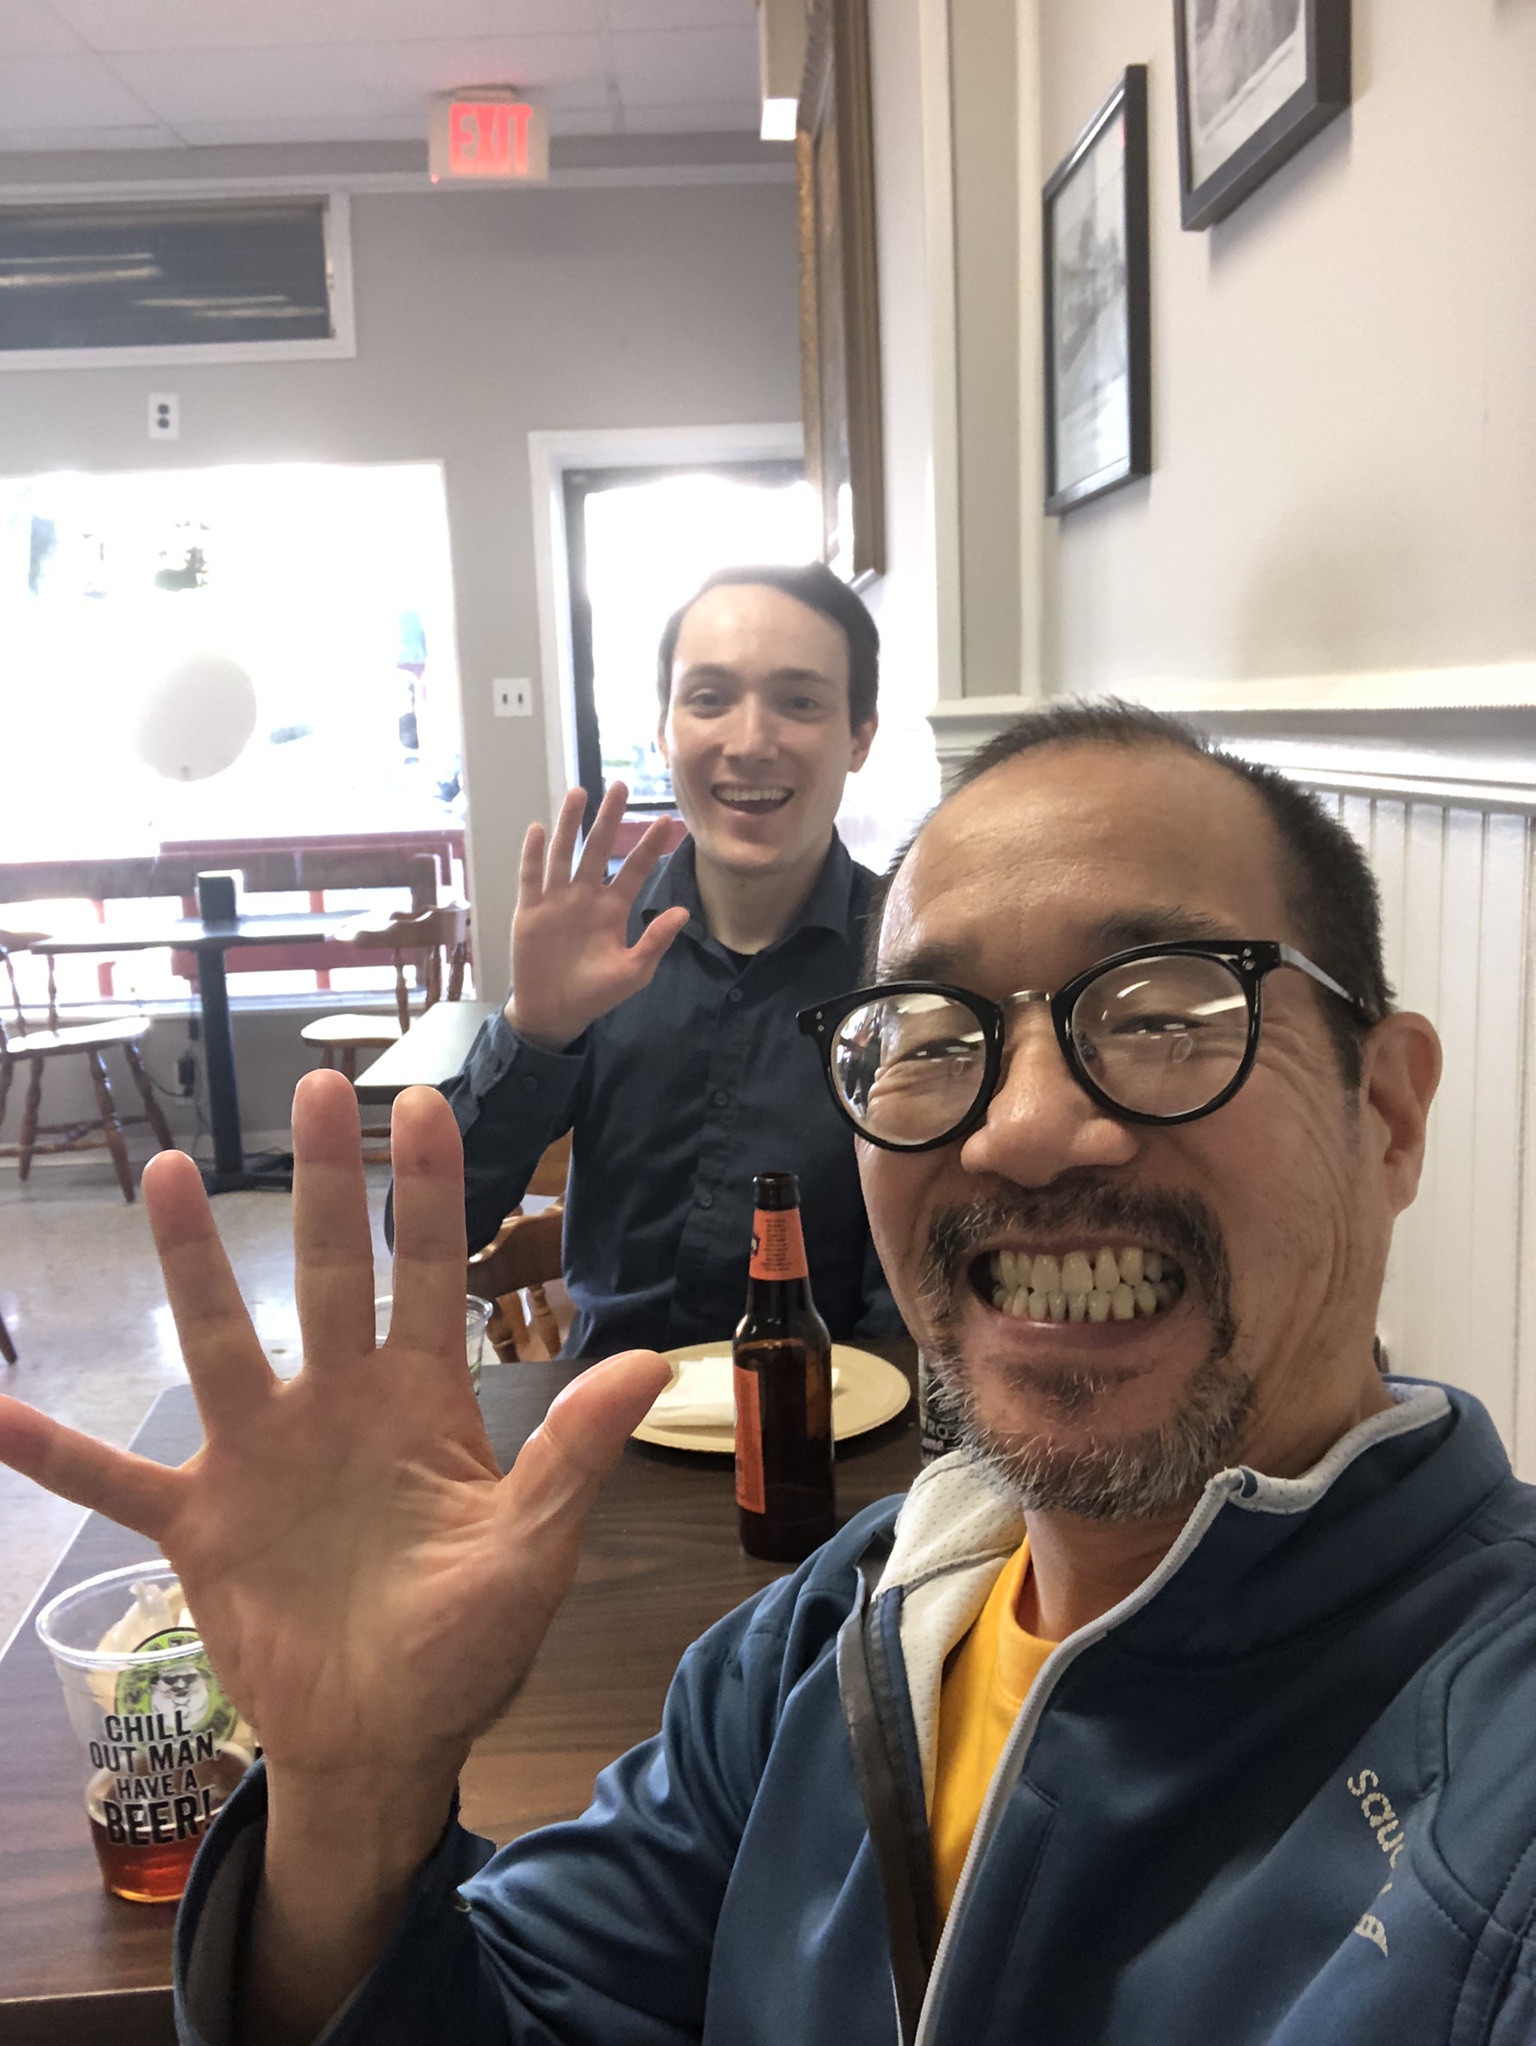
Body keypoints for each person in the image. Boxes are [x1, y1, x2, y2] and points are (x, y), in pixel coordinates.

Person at [11, 701, 1536, 2046]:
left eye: (1156, 1014)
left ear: (1388, 1114)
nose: (1019, 1127)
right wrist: (350, 1810)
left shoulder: (1496, 1789)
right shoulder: (826, 1637)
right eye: (932, 1038)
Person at [440, 560, 901, 1354]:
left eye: (799, 702)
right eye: (710, 698)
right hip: (610, 1410)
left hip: (838, 1411)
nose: (750, 743)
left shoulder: (910, 961)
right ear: (663, 731)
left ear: (859, 737)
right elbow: (429, 1231)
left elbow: (922, 1284)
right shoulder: (597, 949)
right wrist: (532, 1032)